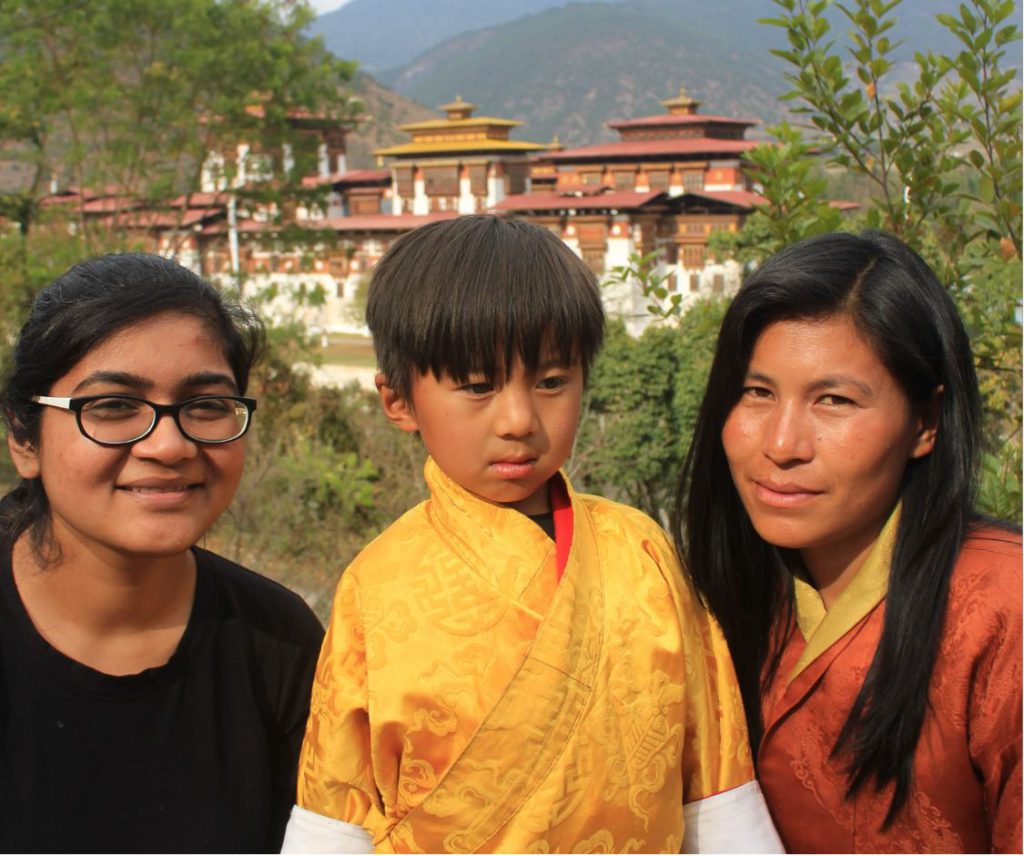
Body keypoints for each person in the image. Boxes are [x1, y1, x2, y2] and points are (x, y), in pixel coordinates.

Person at [281, 214, 781, 853]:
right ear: (398, 400)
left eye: (551, 382)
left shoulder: (642, 551)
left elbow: (713, 775)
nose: (519, 419)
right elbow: (337, 812)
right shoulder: (378, 584)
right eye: (477, 385)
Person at [674, 230, 1022, 853]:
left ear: (925, 422)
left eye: (833, 400)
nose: (781, 445)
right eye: (758, 393)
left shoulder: (1002, 610)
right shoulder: (710, 600)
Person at [0, 253, 325, 852]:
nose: (170, 445)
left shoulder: (280, 645)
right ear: (25, 439)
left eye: (205, 405)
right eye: (114, 407)